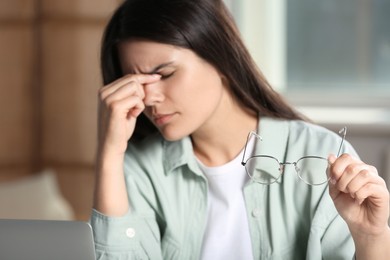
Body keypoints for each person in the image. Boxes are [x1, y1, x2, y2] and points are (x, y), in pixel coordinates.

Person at [90, 0, 390, 259]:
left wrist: (372, 237)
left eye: (164, 74)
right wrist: (109, 153)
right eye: (134, 83)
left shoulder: (320, 158)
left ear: (219, 57)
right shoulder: (139, 168)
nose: (149, 97)